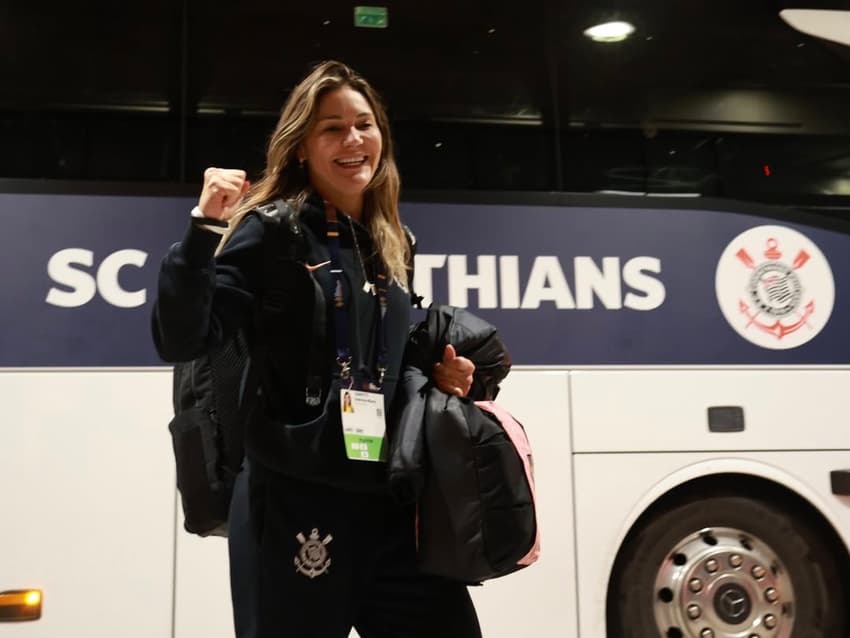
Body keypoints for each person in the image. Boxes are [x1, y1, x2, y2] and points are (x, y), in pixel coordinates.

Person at [152, 60, 480, 638]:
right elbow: (182, 337)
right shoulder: (269, 232)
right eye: (333, 128)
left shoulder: (394, 239)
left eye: (365, 124)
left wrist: (438, 375)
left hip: (392, 501)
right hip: (296, 503)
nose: (354, 140)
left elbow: (382, 357)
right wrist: (204, 230)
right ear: (301, 146)